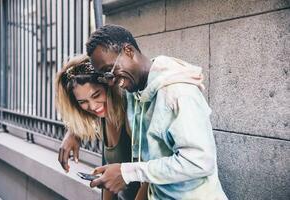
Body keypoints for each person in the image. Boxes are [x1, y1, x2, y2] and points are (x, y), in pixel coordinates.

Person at [84, 25, 228, 200]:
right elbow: (79, 83)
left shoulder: (178, 93)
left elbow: (200, 162)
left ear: (128, 51)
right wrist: (73, 134)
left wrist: (129, 172)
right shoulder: (134, 91)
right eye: (105, 76)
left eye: (110, 70)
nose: (111, 81)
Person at [55, 54, 142, 200]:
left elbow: (149, 180)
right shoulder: (104, 115)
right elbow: (109, 177)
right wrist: (73, 132)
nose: (93, 106)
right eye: (83, 102)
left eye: (96, 94)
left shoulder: (130, 112)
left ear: (108, 86)